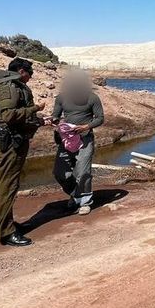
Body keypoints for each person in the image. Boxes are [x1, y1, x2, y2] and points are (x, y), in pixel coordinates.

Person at [0, 57, 46, 247]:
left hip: (14, 141)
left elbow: (18, 116)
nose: (30, 78)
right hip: (11, 144)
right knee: (9, 186)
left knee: (9, 184)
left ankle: (3, 223)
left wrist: (40, 120)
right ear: (21, 71)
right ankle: (7, 232)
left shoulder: (13, 85)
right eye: (30, 74)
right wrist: (35, 108)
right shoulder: (9, 87)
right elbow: (8, 116)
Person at [51, 70, 104, 215]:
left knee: (83, 172)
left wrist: (86, 127)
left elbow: (100, 118)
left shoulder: (93, 98)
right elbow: (55, 116)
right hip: (66, 139)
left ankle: (85, 202)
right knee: (60, 173)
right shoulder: (61, 98)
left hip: (85, 138)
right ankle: (76, 194)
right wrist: (54, 121)